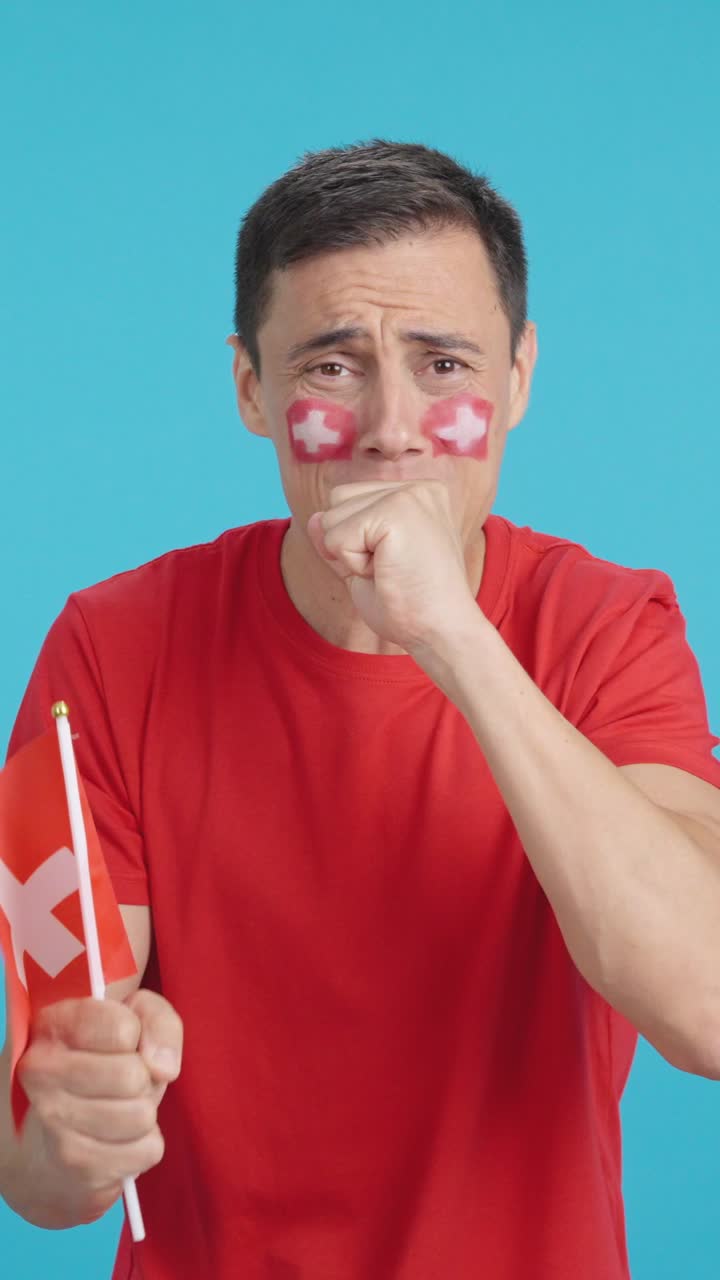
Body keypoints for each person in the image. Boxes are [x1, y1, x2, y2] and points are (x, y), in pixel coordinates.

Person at [1, 139, 720, 1280]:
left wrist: (450, 633)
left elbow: (707, 1001)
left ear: (520, 377)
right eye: (333, 367)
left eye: (445, 365)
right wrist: (72, 1131)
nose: (393, 424)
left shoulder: (610, 626)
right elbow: (43, 1162)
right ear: (253, 389)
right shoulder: (111, 646)